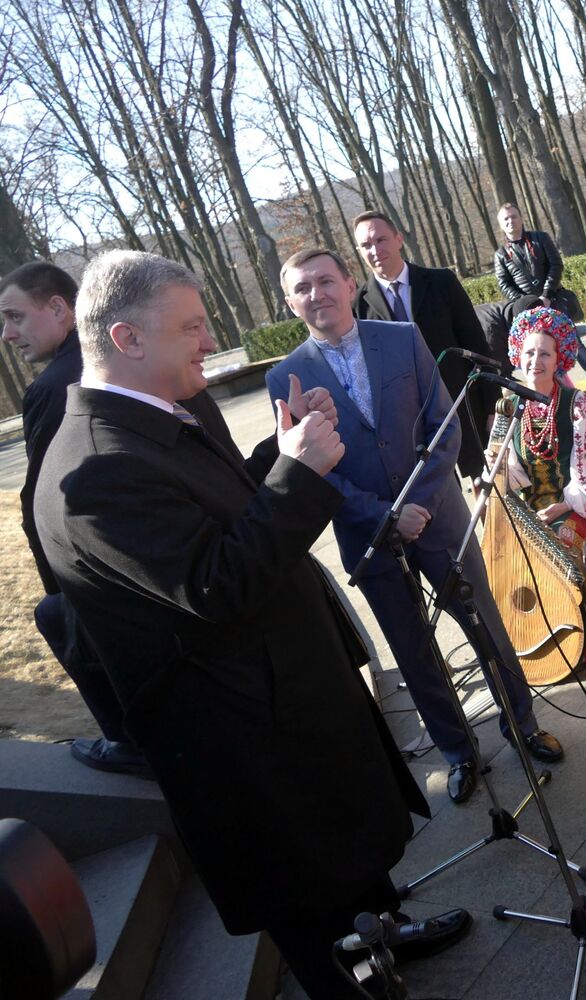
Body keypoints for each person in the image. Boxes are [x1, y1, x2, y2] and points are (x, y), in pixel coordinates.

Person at [34, 249, 468, 999]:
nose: (210, 341)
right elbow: (214, 585)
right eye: (193, 326)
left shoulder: (143, 420)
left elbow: (218, 516)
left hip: (284, 709)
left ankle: (383, 935)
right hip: (251, 750)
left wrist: (280, 449)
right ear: (128, 339)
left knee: (350, 868)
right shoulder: (94, 469)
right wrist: (299, 473)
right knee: (311, 911)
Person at [268, 248, 564, 808]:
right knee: (413, 648)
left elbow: (445, 426)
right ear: (290, 302)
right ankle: (458, 753)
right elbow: (306, 468)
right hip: (368, 538)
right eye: (302, 288)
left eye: (325, 281)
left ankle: (522, 725)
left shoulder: (402, 338)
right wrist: (383, 517)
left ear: (349, 282)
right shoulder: (285, 375)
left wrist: (418, 506)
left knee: (484, 626)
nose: (317, 294)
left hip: (439, 517)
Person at [0, 262, 147, 775]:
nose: (7, 333)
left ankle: (129, 746)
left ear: (60, 307)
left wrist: (62, 593)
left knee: (53, 616)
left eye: (16, 316)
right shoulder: (130, 356)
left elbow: (46, 504)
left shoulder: (53, 386)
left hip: (101, 574)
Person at [500, 306, 586, 663]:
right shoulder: (508, 404)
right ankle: (546, 632)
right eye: (529, 352)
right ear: (518, 356)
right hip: (533, 510)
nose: (535, 360)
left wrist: (565, 505)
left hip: (581, 503)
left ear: (559, 360)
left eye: (545, 354)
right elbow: (504, 468)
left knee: (560, 545)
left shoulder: (574, 402)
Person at [351, 210, 498, 479]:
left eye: (381, 240)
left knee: (485, 484)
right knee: (438, 497)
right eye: (366, 245)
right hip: (408, 426)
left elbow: (477, 345)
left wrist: (492, 408)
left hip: (462, 406)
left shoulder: (442, 282)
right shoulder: (358, 305)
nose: (375, 250)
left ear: (398, 239)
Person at [492, 203, 582, 320]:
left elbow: (556, 265)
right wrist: (527, 302)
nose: (510, 221)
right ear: (501, 225)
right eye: (506, 219)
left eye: (514, 216)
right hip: (528, 311)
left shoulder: (541, 238)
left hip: (554, 300)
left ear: (521, 218)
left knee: (568, 336)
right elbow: (504, 284)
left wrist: (546, 295)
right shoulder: (500, 254)